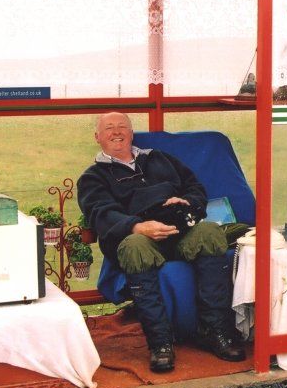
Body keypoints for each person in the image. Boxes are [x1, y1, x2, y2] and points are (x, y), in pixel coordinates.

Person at [77, 112, 245, 373]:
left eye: (122, 126)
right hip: (138, 236)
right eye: (109, 128)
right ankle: (161, 343)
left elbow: (194, 186)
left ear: (132, 133)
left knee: (211, 233)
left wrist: (187, 203)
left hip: (177, 230)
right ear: (97, 137)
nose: (117, 132)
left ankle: (215, 330)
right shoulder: (93, 177)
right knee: (135, 247)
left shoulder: (158, 158)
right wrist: (138, 226)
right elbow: (100, 212)